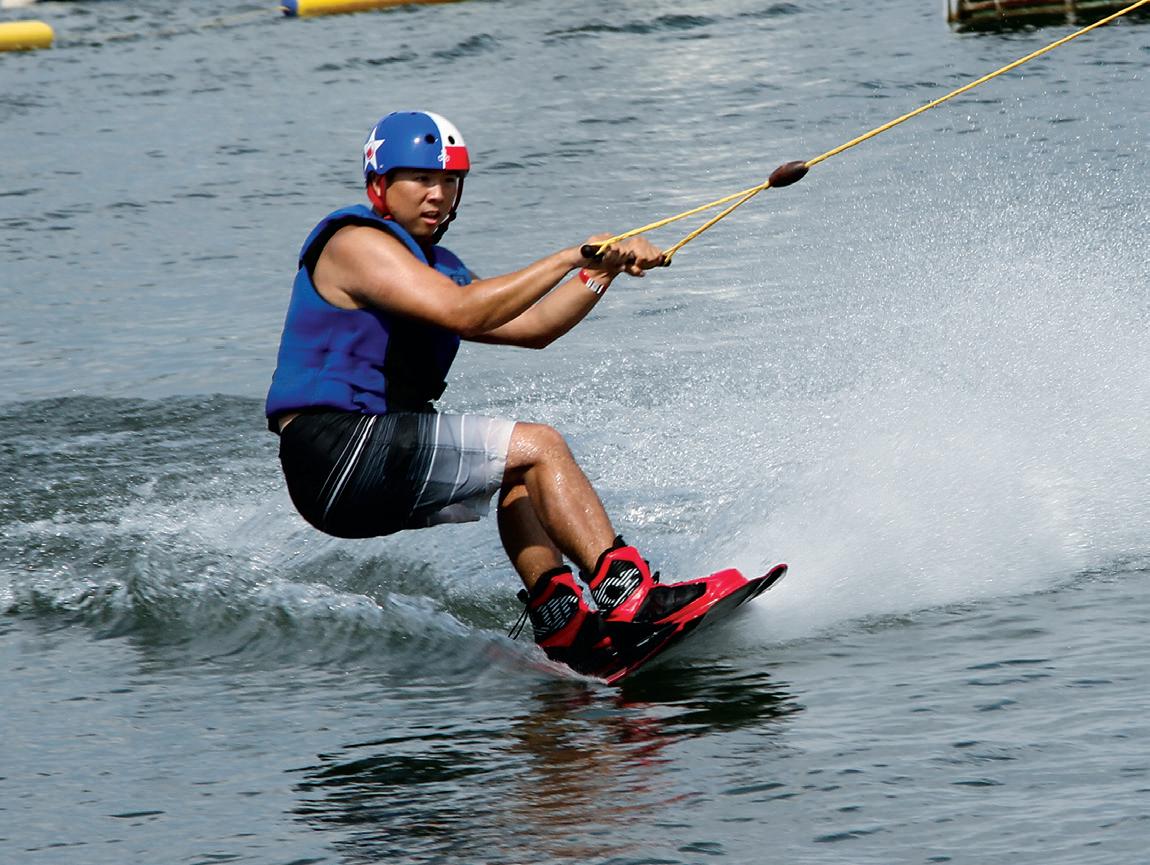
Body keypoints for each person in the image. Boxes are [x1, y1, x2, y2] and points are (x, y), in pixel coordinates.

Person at [266, 110, 731, 676]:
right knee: (541, 445)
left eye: (450, 181)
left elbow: (533, 328)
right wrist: (569, 256)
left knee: (524, 476)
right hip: (338, 449)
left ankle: (564, 623)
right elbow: (464, 312)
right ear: (379, 185)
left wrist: (599, 273)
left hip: (359, 465)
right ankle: (631, 599)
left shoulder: (436, 269)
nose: (438, 195)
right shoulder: (353, 243)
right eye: (421, 179)